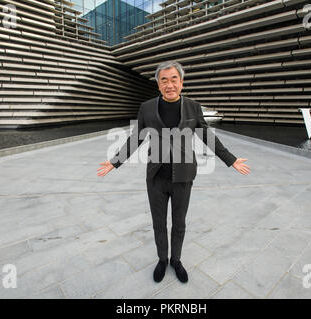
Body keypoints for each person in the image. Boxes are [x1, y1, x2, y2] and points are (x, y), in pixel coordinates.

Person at [97, 61, 250, 283]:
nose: (169, 84)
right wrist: (115, 161)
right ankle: (162, 259)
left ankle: (176, 260)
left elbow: (207, 136)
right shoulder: (147, 108)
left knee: (179, 223)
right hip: (156, 178)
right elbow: (136, 138)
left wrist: (231, 159)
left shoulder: (193, 107)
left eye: (173, 79)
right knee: (159, 223)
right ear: (158, 84)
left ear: (181, 81)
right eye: (164, 80)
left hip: (183, 176)